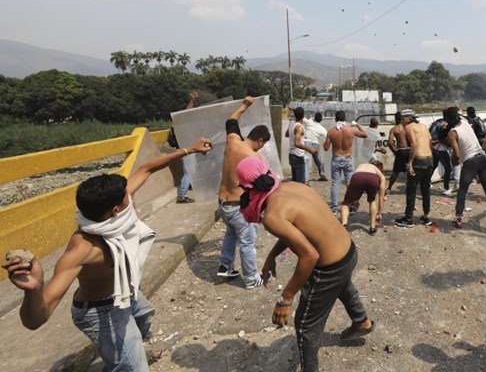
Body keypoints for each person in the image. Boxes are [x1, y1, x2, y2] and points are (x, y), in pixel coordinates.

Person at [2, 137, 212, 371]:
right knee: (134, 368)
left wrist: (189, 149)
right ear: (115, 210)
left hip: (126, 292)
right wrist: (35, 290)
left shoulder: (108, 213)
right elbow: (35, 320)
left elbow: (147, 168)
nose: (131, 196)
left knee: (144, 316)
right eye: (127, 198)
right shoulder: (82, 248)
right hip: (101, 310)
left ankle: (128, 353)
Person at [236, 156, 374, 372]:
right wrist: (272, 255)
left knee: (305, 324)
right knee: (342, 285)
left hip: (330, 268)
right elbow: (298, 229)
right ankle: (362, 322)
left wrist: (286, 298)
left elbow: (309, 256)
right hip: (348, 252)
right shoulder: (293, 186)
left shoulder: (272, 215)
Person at [216, 96, 271, 289]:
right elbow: (265, 187)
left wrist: (245, 105)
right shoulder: (256, 158)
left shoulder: (232, 142)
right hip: (239, 208)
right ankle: (251, 279)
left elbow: (231, 121)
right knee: (247, 243)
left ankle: (225, 265)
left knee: (231, 233)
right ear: (261, 140)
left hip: (222, 204)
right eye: (263, 144)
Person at [445, 106, 486, 230]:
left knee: (462, 189)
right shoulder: (466, 123)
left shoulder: (452, 133)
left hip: (470, 161)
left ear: (447, 119)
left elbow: (456, 154)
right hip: (482, 157)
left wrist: (454, 162)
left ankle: (458, 218)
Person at [394, 109, 434, 228]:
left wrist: (410, 163)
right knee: (425, 189)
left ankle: (409, 218)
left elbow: (414, 144)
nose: (401, 121)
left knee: (411, 190)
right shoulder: (424, 126)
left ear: (410, 118)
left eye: (403, 118)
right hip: (429, 159)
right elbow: (430, 142)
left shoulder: (409, 127)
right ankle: (426, 217)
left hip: (418, 160)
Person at [324, 110, 368, 213]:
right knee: (350, 183)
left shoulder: (331, 131)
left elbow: (326, 148)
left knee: (335, 183)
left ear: (335, 119)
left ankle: (334, 207)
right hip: (347, 158)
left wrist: (328, 140)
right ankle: (351, 204)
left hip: (336, 158)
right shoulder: (351, 129)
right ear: (345, 118)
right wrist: (357, 124)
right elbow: (365, 134)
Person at [340, 158, 387, 235]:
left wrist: (354, 200)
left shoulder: (361, 166)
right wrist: (379, 214)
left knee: (346, 204)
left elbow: (354, 183)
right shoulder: (379, 174)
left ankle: (344, 225)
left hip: (357, 177)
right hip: (371, 179)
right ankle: (372, 228)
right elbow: (381, 197)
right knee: (372, 201)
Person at [172, 91, 200, 203]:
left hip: (188, 147)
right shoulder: (181, 120)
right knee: (188, 172)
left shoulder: (180, 123)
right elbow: (187, 113)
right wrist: (192, 100)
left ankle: (188, 186)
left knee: (191, 170)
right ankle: (182, 196)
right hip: (187, 148)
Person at [286, 107, 317, 183]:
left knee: (295, 181)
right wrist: (309, 149)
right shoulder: (299, 127)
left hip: (292, 155)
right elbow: (297, 143)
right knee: (300, 182)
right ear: (303, 116)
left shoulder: (291, 124)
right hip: (298, 156)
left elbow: (287, 134)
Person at [386, 111, 410, 196]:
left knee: (395, 171)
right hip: (410, 150)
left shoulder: (395, 129)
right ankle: (409, 188)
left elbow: (389, 142)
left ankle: (389, 188)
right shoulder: (408, 128)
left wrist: (394, 151)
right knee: (410, 170)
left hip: (401, 150)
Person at [429, 118, 453, 196]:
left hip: (435, 148)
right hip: (441, 149)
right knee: (448, 169)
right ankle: (446, 188)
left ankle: (426, 182)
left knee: (434, 166)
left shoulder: (436, 123)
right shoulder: (446, 125)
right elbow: (444, 139)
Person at [302, 112, 328, 182]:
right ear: (321, 120)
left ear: (314, 117)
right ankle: (323, 176)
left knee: (306, 160)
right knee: (318, 160)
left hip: (307, 143)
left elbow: (301, 116)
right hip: (315, 144)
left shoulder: (309, 122)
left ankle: (305, 179)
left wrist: (293, 109)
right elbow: (328, 137)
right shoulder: (322, 128)